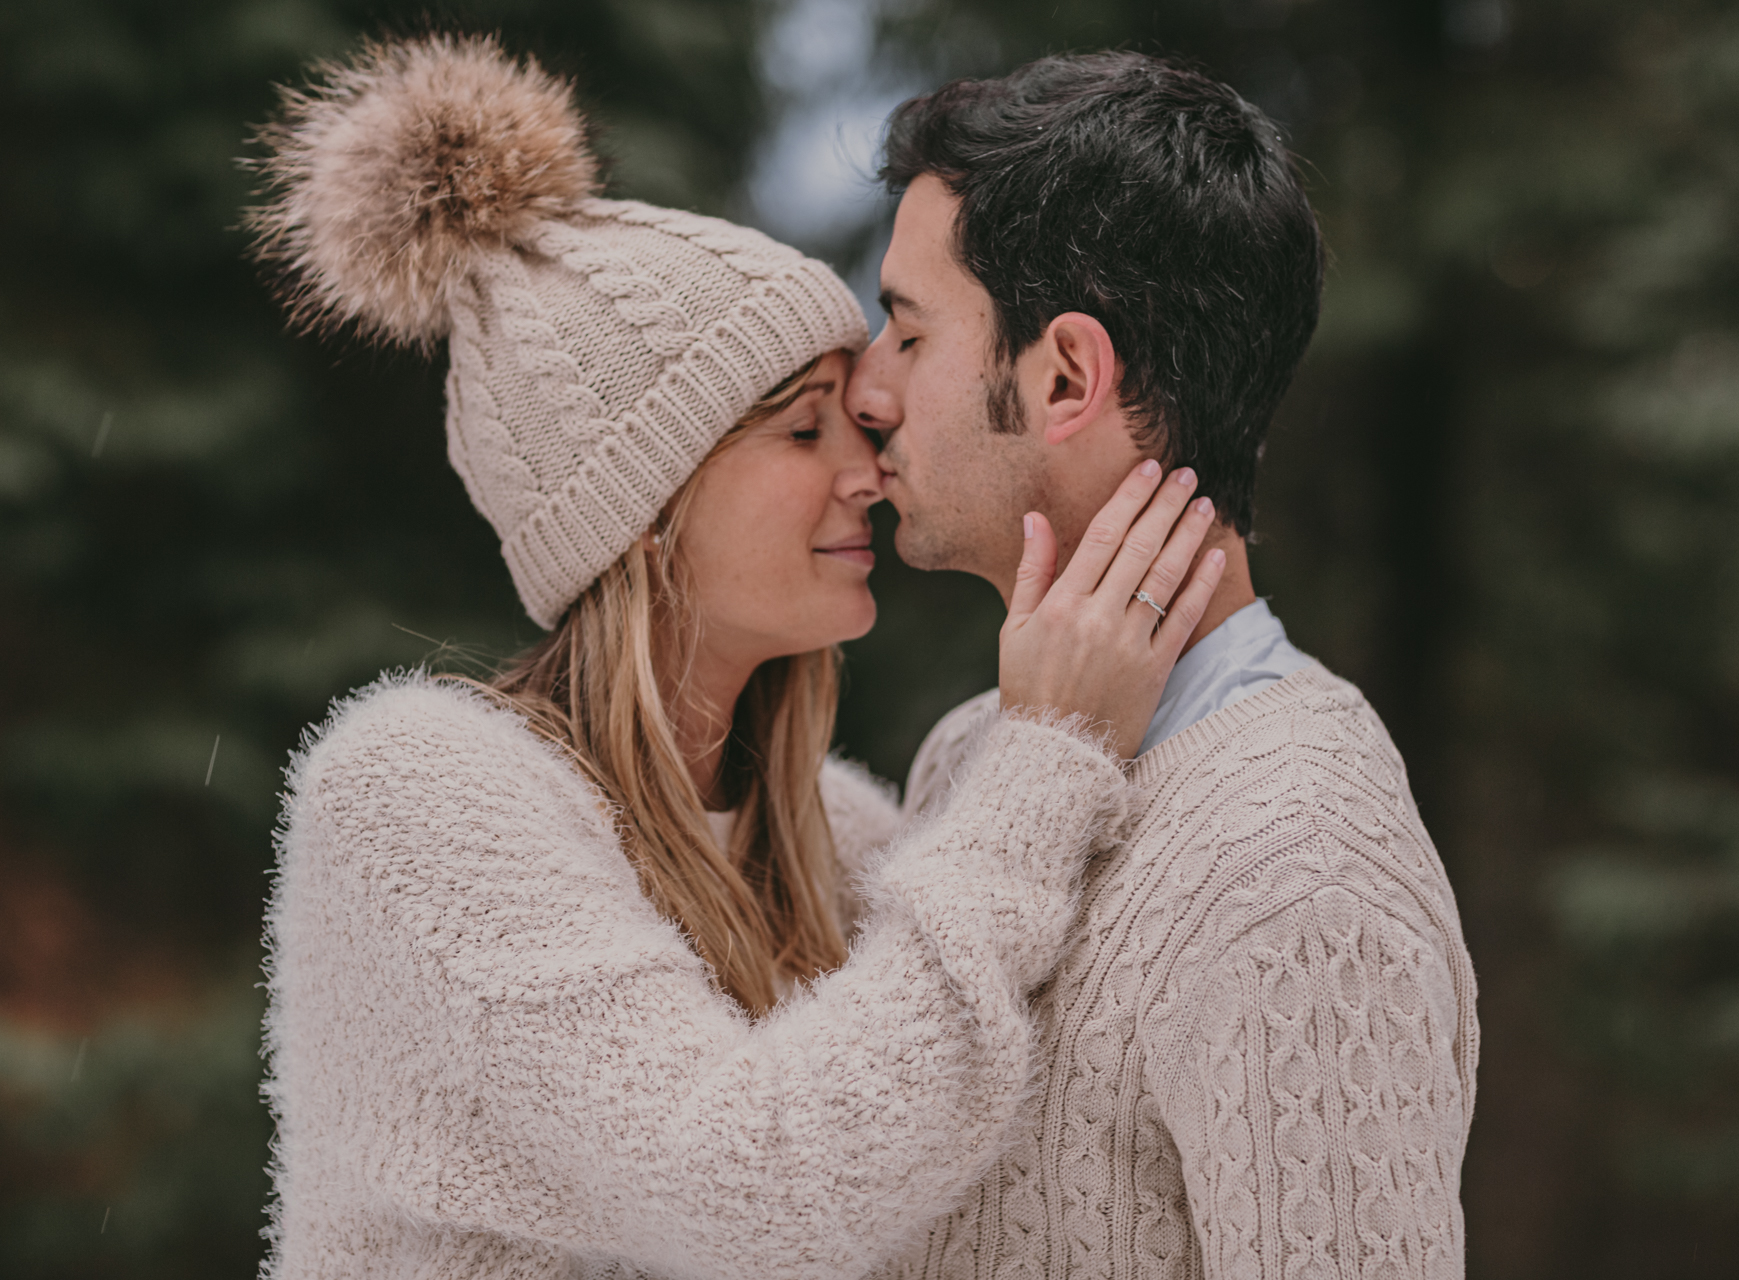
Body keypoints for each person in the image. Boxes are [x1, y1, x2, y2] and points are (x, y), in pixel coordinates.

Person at [246, 36, 1229, 1280]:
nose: (868, 472)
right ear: (645, 508)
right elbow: (746, 1190)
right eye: (803, 427)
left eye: (858, 421)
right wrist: (1045, 758)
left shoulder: (846, 839)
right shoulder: (419, 797)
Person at [845, 53, 1480, 1280]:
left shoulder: (1300, 873)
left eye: (910, 332)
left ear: (1067, 377)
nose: (869, 386)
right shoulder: (978, 747)